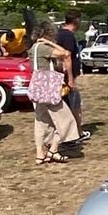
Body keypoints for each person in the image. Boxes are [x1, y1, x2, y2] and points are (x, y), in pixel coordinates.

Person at [31, 21, 79, 165]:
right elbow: (65, 54)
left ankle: (40, 153)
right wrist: (49, 43)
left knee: (42, 121)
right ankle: (53, 149)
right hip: (49, 88)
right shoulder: (44, 47)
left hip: (37, 87)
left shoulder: (33, 47)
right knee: (66, 120)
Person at [56, 9, 90, 143]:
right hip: (66, 79)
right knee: (74, 105)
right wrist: (70, 79)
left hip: (63, 77)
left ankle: (73, 132)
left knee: (70, 105)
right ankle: (75, 134)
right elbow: (67, 58)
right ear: (76, 20)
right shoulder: (68, 36)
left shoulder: (59, 34)